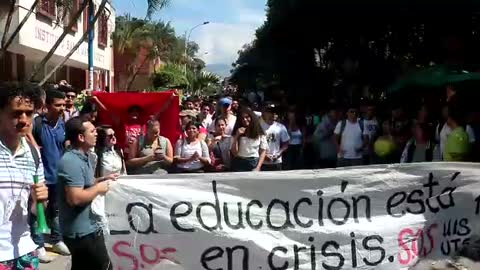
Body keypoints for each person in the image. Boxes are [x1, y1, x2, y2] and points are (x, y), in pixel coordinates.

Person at [57, 117, 118, 270]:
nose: (96, 134)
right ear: (81, 137)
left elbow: (84, 184)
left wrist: (102, 179)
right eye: (92, 131)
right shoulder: (71, 161)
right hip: (82, 233)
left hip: (89, 228)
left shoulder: (84, 157)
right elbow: (75, 198)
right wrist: (98, 188)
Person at [0, 82, 49, 270]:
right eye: (15, 113)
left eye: (28, 113)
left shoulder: (33, 153)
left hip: (24, 252)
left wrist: (40, 201)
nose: (24, 119)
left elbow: (37, 210)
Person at [30, 90, 71, 262]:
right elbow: (26, 133)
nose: (62, 108)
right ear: (47, 106)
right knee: (39, 211)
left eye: (63, 105)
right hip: (41, 177)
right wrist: (33, 144)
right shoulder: (38, 123)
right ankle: (38, 245)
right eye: (58, 105)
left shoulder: (62, 124)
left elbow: (65, 144)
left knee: (56, 210)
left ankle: (56, 240)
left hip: (58, 176)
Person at [260, 104, 290, 171]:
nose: (273, 114)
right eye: (270, 111)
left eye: (275, 112)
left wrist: (279, 153)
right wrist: (264, 155)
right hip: (262, 162)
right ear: (264, 113)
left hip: (276, 162)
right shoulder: (258, 126)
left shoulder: (281, 127)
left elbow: (286, 143)